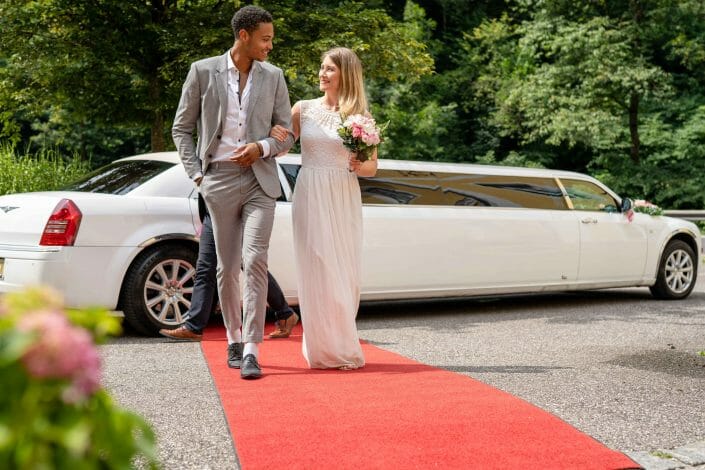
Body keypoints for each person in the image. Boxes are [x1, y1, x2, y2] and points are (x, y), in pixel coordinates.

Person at [172, 6, 294, 380]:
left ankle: (254, 349)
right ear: (244, 36)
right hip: (218, 180)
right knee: (226, 268)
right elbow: (182, 128)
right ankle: (234, 340)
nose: (270, 46)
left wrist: (263, 147)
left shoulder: (274, 77)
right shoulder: (202, 71)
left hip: (260, 180)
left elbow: (286, 132)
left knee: (254, 259)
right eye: (265, 38)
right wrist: (198, 177)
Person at [272, 47, 377, 369]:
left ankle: (343, 344)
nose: (322, 73)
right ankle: (320, 349)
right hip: (310, 189)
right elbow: (281, 148)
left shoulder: (360, 117)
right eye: (321, 67)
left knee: (343, 270)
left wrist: (360, 162)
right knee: (316, 262)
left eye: (330, 69)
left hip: (343, 192)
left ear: (345, 73)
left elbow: (372, 167)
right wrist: (274, 135)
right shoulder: (302, 109)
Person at [157, 194, 299, 343]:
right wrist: (199, 178)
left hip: (234, 208)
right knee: (206, 267)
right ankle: (193, 327)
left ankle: (284, 313)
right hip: (211, 210)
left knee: (249, 264)